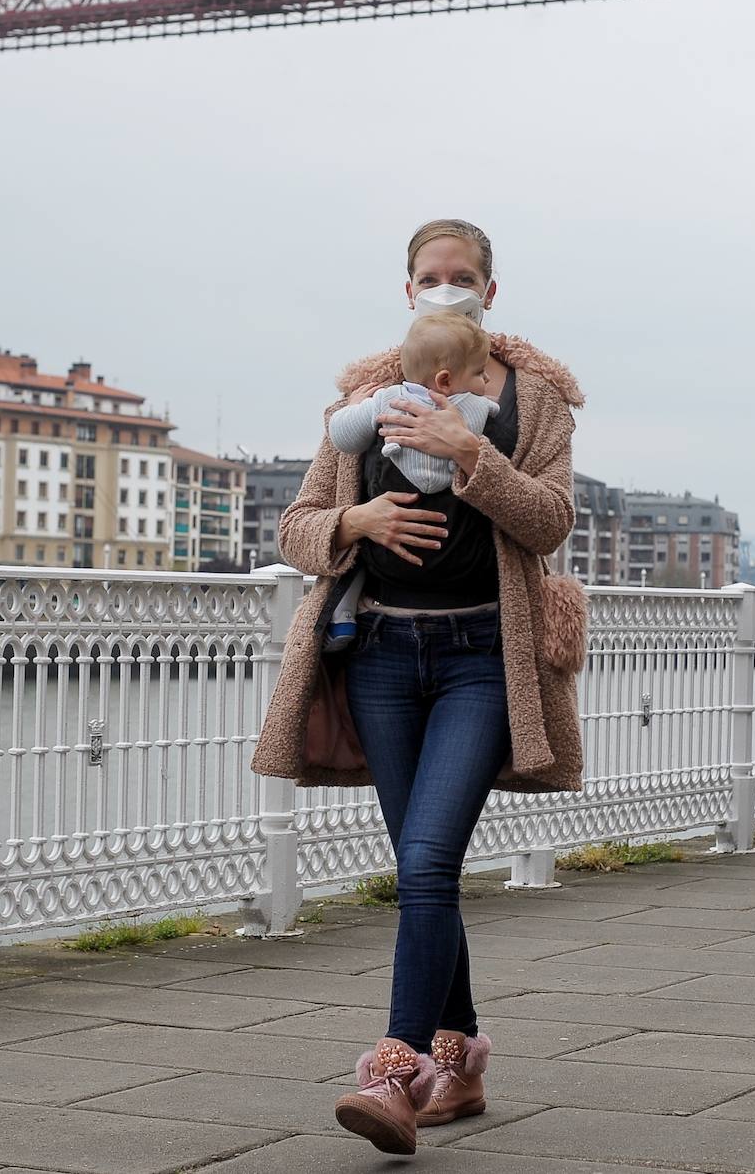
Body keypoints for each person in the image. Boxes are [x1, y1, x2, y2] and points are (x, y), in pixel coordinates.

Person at [249, 218, 587, 1158]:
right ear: (407, 290)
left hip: (487, 655)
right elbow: (299, 526)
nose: (448, 288)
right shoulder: (369, 393)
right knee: (423, 870)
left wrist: (471, 457)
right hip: (384, 660)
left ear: (491, 287)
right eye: (432, 277)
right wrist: (357, 518)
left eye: (464, 276)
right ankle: (463, 1064)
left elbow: (552, 520)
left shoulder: (539, 399)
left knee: (429, 859)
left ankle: (394, 1074)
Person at [328, 312, 500, 494]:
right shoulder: (479, 406)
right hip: (457, 515)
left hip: (391, 505)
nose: (487, 378)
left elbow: (342, 438)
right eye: (480, 372)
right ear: (445, 381)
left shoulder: (386, 399)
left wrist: (353, 407)